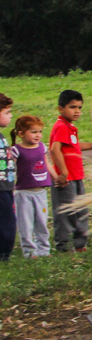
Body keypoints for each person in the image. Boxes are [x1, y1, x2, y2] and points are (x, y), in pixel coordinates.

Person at [49, 90, 90, 253]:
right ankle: (64, 246)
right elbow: (54, 149)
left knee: (81, 210)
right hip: (66, 178)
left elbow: (74, 146)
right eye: (72, 107)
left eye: (79, 107)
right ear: (60, 109)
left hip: (77, 176)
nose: (77, 111)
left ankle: (80, 244)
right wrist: (63, 172)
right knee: (66, 212)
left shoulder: (70, 128)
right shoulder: (60, 126)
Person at [11, 115, 51, 259]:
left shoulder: (42, 147)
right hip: (23, 193)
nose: (38, 135)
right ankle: (29, 251)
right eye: (33, 132)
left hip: (40, 192)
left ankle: (44, 250)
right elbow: (10, 168)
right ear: (21, 133)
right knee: (26, 223)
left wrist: (57, 176)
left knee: (42, 221)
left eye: (39, 132)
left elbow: (47, 164)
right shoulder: (16, 150)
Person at [0, 94, 14, 262]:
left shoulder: (2, 137)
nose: (11, 116)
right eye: (7, 112)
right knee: (6, 222)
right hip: (1, 188)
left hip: (7, 186)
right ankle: (3, 254)